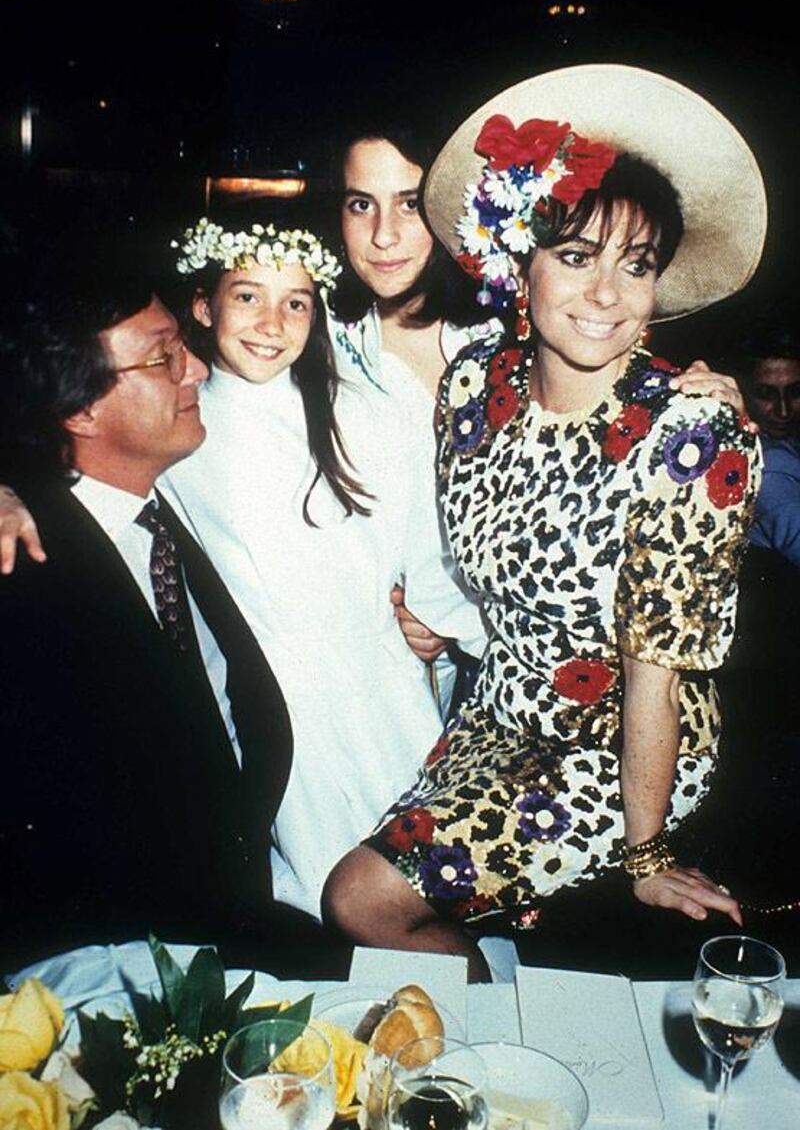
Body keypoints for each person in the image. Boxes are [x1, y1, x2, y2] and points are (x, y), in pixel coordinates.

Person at [322, 64, 765, 979]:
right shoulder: (475, 384)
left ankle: (494, 1024)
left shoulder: (692, 433)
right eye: (574, 256)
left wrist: (646, 852)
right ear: (519, 262)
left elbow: (656, 673)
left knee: (360, 897)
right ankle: (493, 1020)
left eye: (636, 265)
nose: (606, 294)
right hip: (498, 714)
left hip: (618, 745)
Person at [0, 212, 487, 921]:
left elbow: (430, 558)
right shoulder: (180, 436)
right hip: (268, 735)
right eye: (248, 296)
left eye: (296, 303)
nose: (270, 324)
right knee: (339, 903)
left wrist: (439, 624)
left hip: (381, 695)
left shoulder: (366, 414)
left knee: (430, 891)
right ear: (206, 305)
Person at [326, 118, 753, 711]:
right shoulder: (313, 347)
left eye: (409, 204)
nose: (384, 236)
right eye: (360, 204)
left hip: (550, 688)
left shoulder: (524, 336)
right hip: (382, 669)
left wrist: (703, 408)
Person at [0, 253, 346, 976]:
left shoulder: (156, 511)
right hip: (130, 962)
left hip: (244, 909)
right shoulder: (25, 570)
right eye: (164, 359)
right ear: (80, 409)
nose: (197, 371)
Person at [739, 323, 800, 567]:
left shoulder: (785, 441)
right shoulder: (769, 466)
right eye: (765, 393)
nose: (783, 411)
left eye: (795, 392)